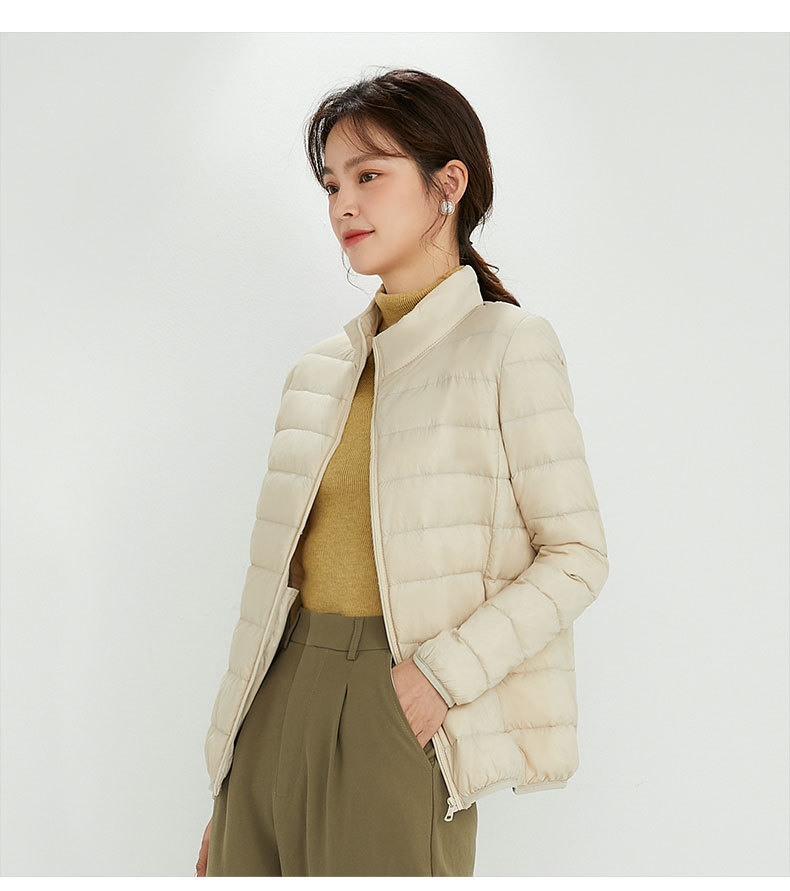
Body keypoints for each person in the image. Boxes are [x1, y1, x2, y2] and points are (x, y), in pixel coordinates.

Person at [196, 67, 609, 877]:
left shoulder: (508, 346)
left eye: (369, 176)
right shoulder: (318, 371)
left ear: (447, 184)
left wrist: (438, 677)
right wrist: (227, 779)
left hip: (395, 703)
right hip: (273, 700)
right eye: (332, 184)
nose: (343, 205)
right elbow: (274, 585)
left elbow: (576, 555)